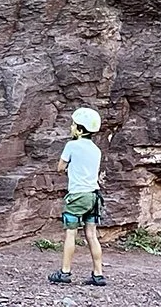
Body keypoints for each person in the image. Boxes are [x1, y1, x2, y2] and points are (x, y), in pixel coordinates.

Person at [49, 107, 106, 287]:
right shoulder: (96, 150)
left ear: (80, 130)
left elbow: (60, 167)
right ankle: (98, 274)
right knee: (91, 234)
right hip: (93, 196)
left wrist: (68, 168)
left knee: (71, 234)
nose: (71, 127)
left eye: (74, 125)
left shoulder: (71, 145)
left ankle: (65, 272)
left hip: (77, 196)